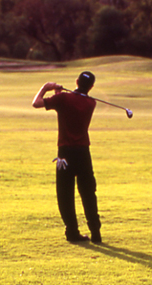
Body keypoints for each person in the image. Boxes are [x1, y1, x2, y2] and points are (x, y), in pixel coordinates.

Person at [32, 71, 102, 244]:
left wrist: (46, 88)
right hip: (83, 152)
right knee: (88, 192)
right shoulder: (91, 103)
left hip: (65, 153)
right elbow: (69, 105)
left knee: (65, 194)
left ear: (76, 81)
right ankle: (95, 232)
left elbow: (36, 103)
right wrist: (59, 96)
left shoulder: (63, 99)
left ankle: (72, 232)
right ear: (91, 87)